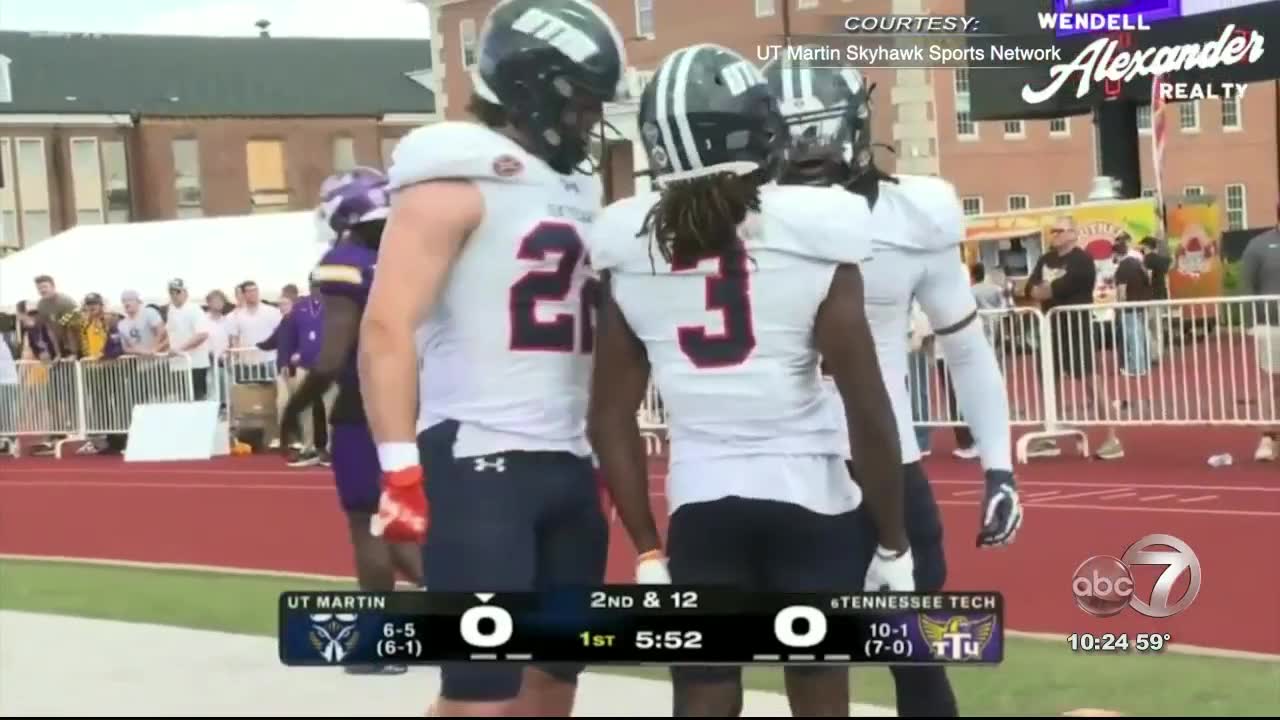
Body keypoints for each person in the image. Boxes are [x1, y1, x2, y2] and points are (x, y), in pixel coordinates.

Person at [588, 44, 912, 718]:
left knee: (705, 691)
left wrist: (646, 548)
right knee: (818, 691)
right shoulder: (820, 231)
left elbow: (609, 417)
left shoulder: (626, 248)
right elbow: (867, 407)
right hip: (811, 496)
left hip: (703, 502)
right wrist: (893, 541)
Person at [357, 0, 626, 715]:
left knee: (553, 686)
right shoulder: (454, 174)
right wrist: (399, 474)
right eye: (580, 103)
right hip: (479, 460)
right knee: (480, 693)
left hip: (568, 462)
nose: (588, 121)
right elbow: (385, 327)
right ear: (533, 89)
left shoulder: (576, 186)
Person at [764, 57, 1023, 718]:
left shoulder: (914, 212)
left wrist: (1000, 465)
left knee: (919, 656)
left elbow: (965, 346)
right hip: (789, 467)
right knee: (815, 664)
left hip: (880, 460)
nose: (811, 156)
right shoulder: (737, 212)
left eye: (821, 135)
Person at [280, 168, 421, 674]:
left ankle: (378, 646)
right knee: (405, 528)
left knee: (370, 526)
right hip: (426, 403)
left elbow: (331, 356)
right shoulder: (413, 255)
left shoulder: (345, 263)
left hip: (367, 408)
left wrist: (295, 409)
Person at [1026, 217, 1123, 460]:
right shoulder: (1045, 259)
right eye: (1052, 231)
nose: (1054, 235)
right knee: (1049, 381)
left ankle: (1112, 438)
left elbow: (1055, 289)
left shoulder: (1082, 260)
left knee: (1091, 381)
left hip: (1077, 326)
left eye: (1059, 231)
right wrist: (1037, 290)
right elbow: (1030, 289)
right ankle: (1050, 434)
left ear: (1072, 234)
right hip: (1050, 327)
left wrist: (1042, 290)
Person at [1239, 209, 1280, 462]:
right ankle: (1268, 437)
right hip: (1271, 326)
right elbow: (1246, 285)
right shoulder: (1259, 245)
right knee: (1274, 382)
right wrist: (1251, 322)